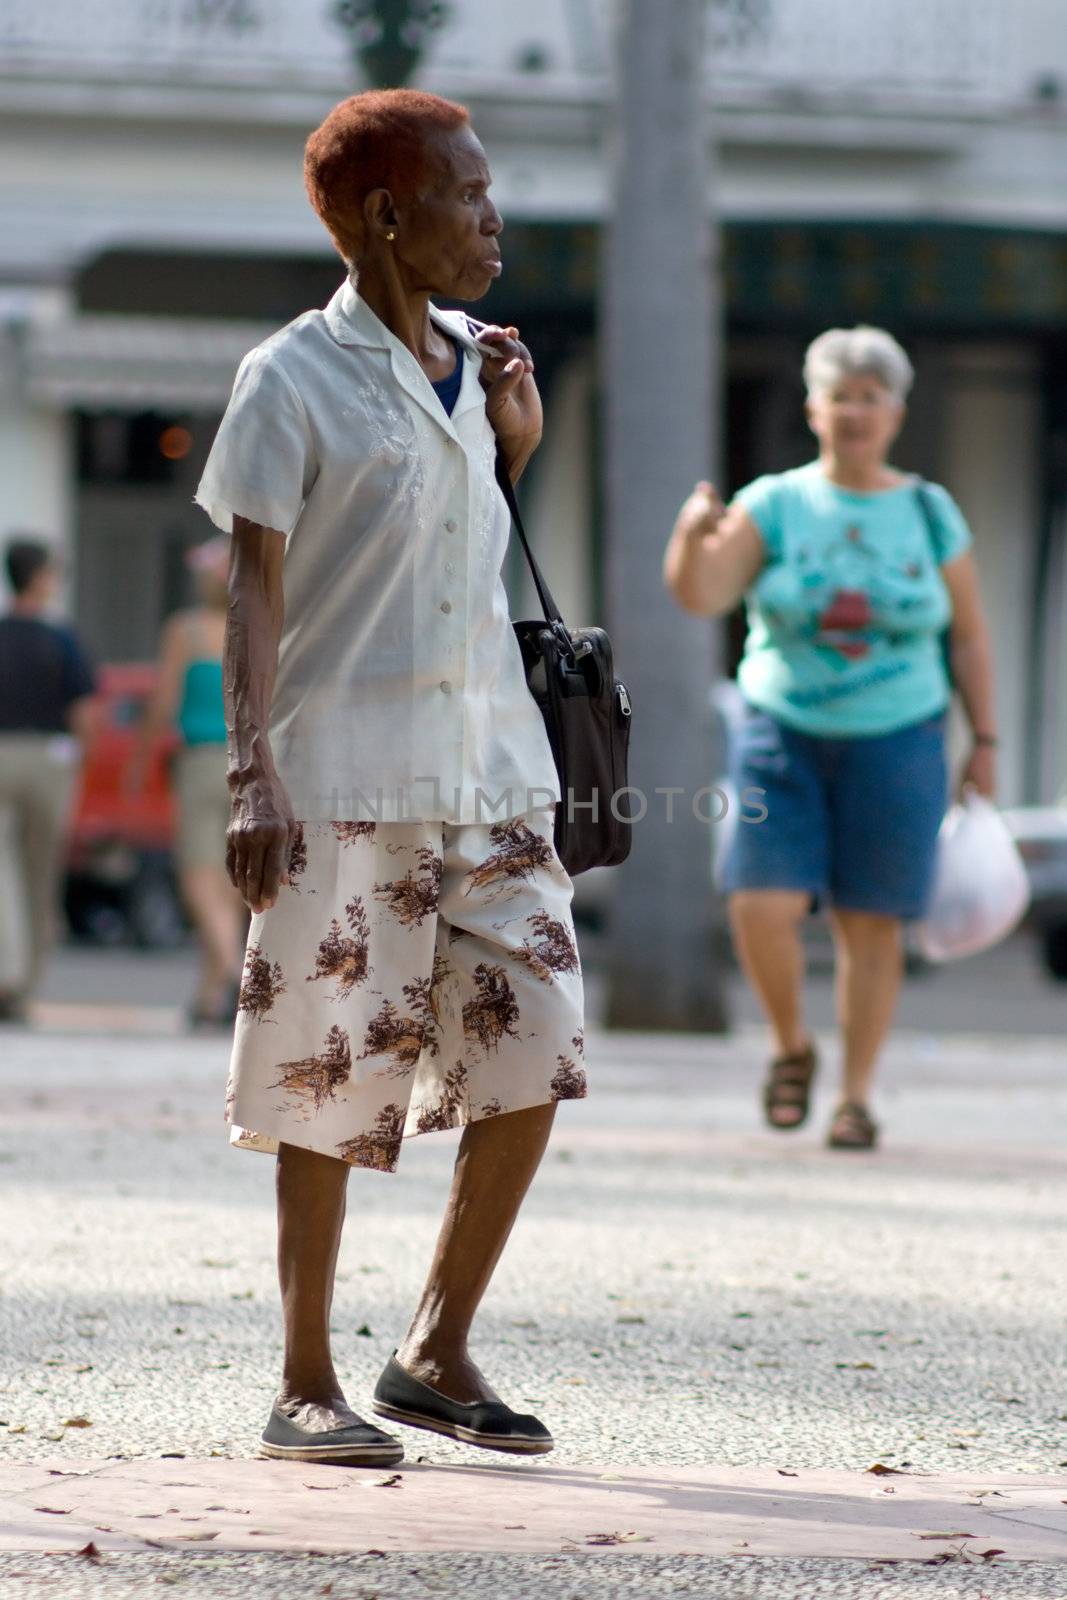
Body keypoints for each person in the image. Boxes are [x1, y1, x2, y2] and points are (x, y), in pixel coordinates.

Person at [193, 89, 584, 1467]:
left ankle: (431, 1349)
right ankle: (304, 1381)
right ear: (383, 214)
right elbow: (254, 585)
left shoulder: (485, 361)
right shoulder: (285, 377)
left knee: (533, 1044)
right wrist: (251, 773)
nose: (492, 217)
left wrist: (513, 447)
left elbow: (460, 543)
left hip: (489, 763)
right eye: (467, 194)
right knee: (325, 1068)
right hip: (338, 771)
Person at [664, 326, 997, 1151]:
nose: (854, 411)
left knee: (869, 918)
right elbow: (702, 594)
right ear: (813, 408)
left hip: (900, 734)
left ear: (895, 411)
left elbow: (967, 635)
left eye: (869, 397)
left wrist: (983, 737)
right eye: (839, 395)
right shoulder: (775, 502)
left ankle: (854, 1097)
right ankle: (789, 1047)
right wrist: (689, 536)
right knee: (757, 901)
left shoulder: (927, 509)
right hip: (781, 726)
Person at [128, 537, 246, 1027]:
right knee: (233, 880)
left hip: (200, 761)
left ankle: (235, 972)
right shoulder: (254, 629)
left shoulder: (187, 630)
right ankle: (207, 998)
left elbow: (162, 702)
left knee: (199, 875)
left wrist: (138, 759)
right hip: (251, 762)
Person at [0, 538, 97, 1020]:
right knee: (40, 872)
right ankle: (22, 983)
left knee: (3, 868)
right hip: (48, 758)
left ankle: (8, 970)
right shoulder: (62, 638)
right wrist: (81, 762)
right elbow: (84, 711)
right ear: (39, 577)